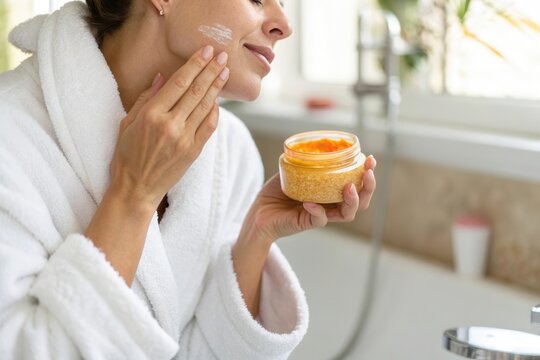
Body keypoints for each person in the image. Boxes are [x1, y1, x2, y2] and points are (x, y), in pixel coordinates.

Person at [0, 0, 377, 359]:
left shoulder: (230, 150)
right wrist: (133, 194)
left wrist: (257, 233)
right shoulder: (10, 134)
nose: (284, 25)